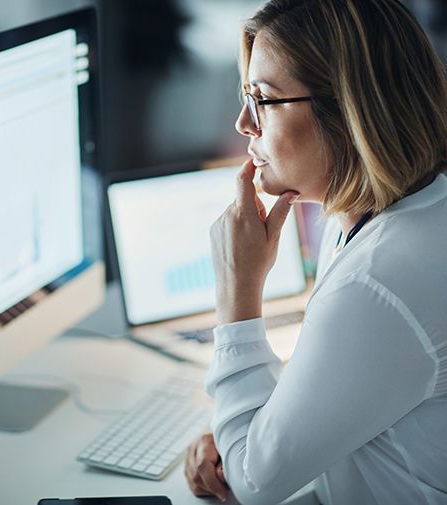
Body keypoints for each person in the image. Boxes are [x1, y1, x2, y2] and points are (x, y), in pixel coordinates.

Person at [184, 1, 447, 504]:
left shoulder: (379, 282)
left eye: (263, 98)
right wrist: (242, 435)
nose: (243, 123)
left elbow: (254, 486)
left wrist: (237, 296)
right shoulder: (378, 213)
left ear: (348, 113)